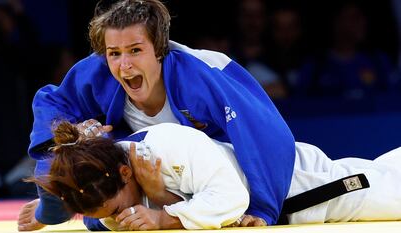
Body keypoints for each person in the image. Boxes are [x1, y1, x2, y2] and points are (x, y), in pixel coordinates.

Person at [18, 0, 295, 231]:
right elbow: (51, 108)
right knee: (98, 219)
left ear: (160, 49)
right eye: (114, 53)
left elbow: (267, 135)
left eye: (135, 50)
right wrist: (53, 204)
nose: (124, 64)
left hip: (231, 181)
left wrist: (263, 208)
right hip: (164, 190)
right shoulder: (97, 73)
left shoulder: (201, 77)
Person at [23, 121, 401, 231]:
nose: (115, 219)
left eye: (115, 208)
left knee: (388, 191)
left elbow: (231, 197)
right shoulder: (103, 190)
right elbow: (96, 216)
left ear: (126, 172)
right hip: (291, 188)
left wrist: (163, 215)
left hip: (304, 188)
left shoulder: (171, 145)